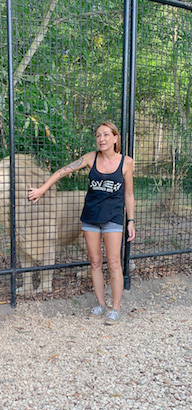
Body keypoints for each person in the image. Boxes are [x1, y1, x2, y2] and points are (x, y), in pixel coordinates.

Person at [27, 121, 135, 325]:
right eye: (97, 135)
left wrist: (131, 220)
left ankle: (116, 308)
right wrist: (42, 189)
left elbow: (129, 194)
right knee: (94, 262)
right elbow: (61, 172)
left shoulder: (126, 162)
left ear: (115, 138)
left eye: (105, 135)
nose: (101, 139)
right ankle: (101, 304)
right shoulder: (90, 158)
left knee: (113, 263)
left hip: (113, 218)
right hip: (90, 218)